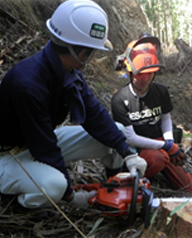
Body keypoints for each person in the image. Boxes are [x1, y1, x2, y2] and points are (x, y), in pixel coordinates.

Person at [0, 0, 147, 209]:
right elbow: (45, 149)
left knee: (116, 132)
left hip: (35, 142)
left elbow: (94, 115)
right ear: (82, 53)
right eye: (93, 51)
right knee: (54, 186)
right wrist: (71, 197)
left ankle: (115, 186)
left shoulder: (67, 73)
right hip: (7, 156)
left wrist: (128, 152)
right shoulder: (28, 85)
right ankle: (19, 202)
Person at [111, 35, 192, 192]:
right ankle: (138, 183)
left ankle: (163, 167)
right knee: (157, 159)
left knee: (188, 186)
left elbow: (165, 118)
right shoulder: (120, 99)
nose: (144, 78)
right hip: (137, 148)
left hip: (159, 142)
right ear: (130, 71)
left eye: (149, 73)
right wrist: (166, 147)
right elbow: (130, 138)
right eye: (140, 74)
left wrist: (170, 142)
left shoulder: (160, 91)